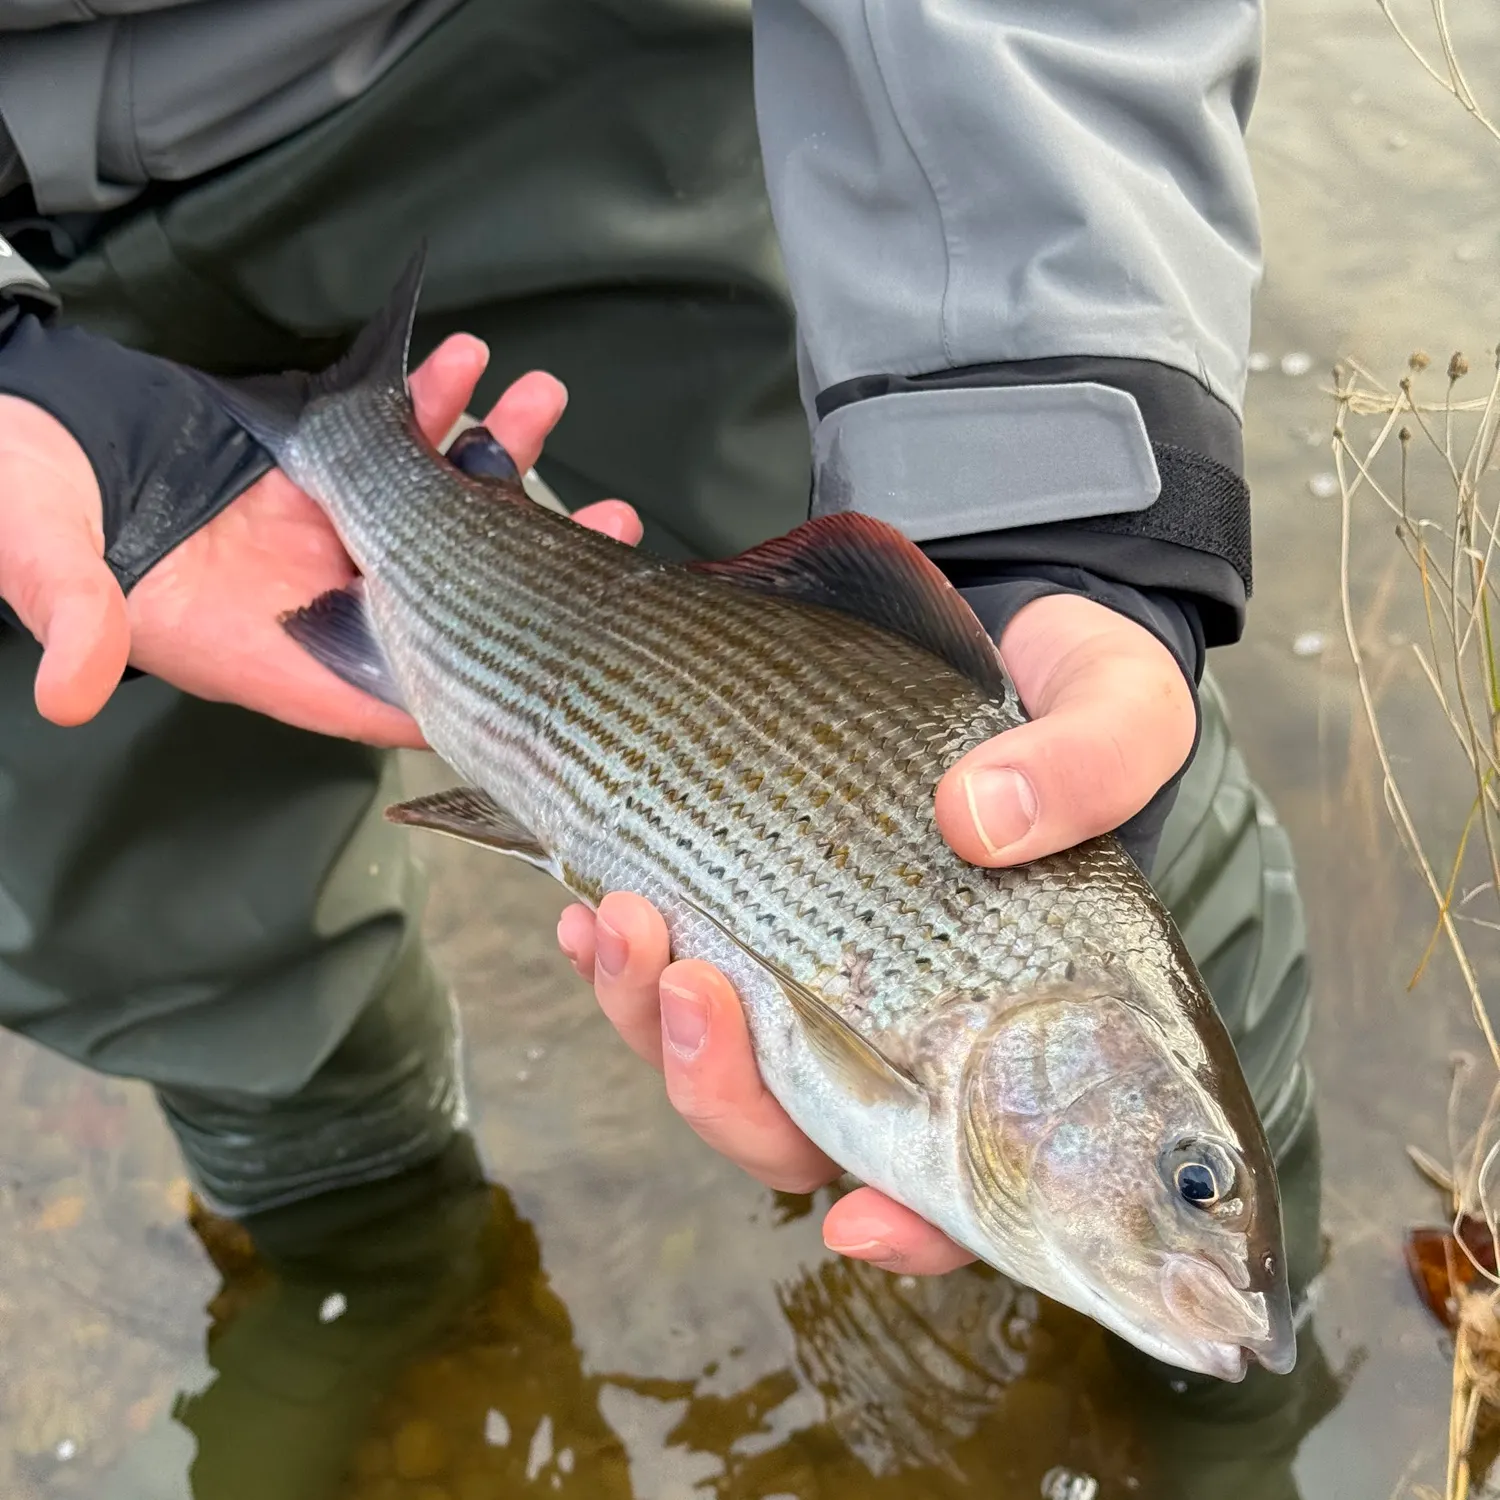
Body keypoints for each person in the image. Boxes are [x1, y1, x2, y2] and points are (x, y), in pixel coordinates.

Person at [0, 0, 1311, 1323]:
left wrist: (1052, 502)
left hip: (497, 62)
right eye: (1196, 1188)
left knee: (1128, 769)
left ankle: (1260, 1402)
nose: (1203, 1245)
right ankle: (393, 1312)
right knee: (185, 948)